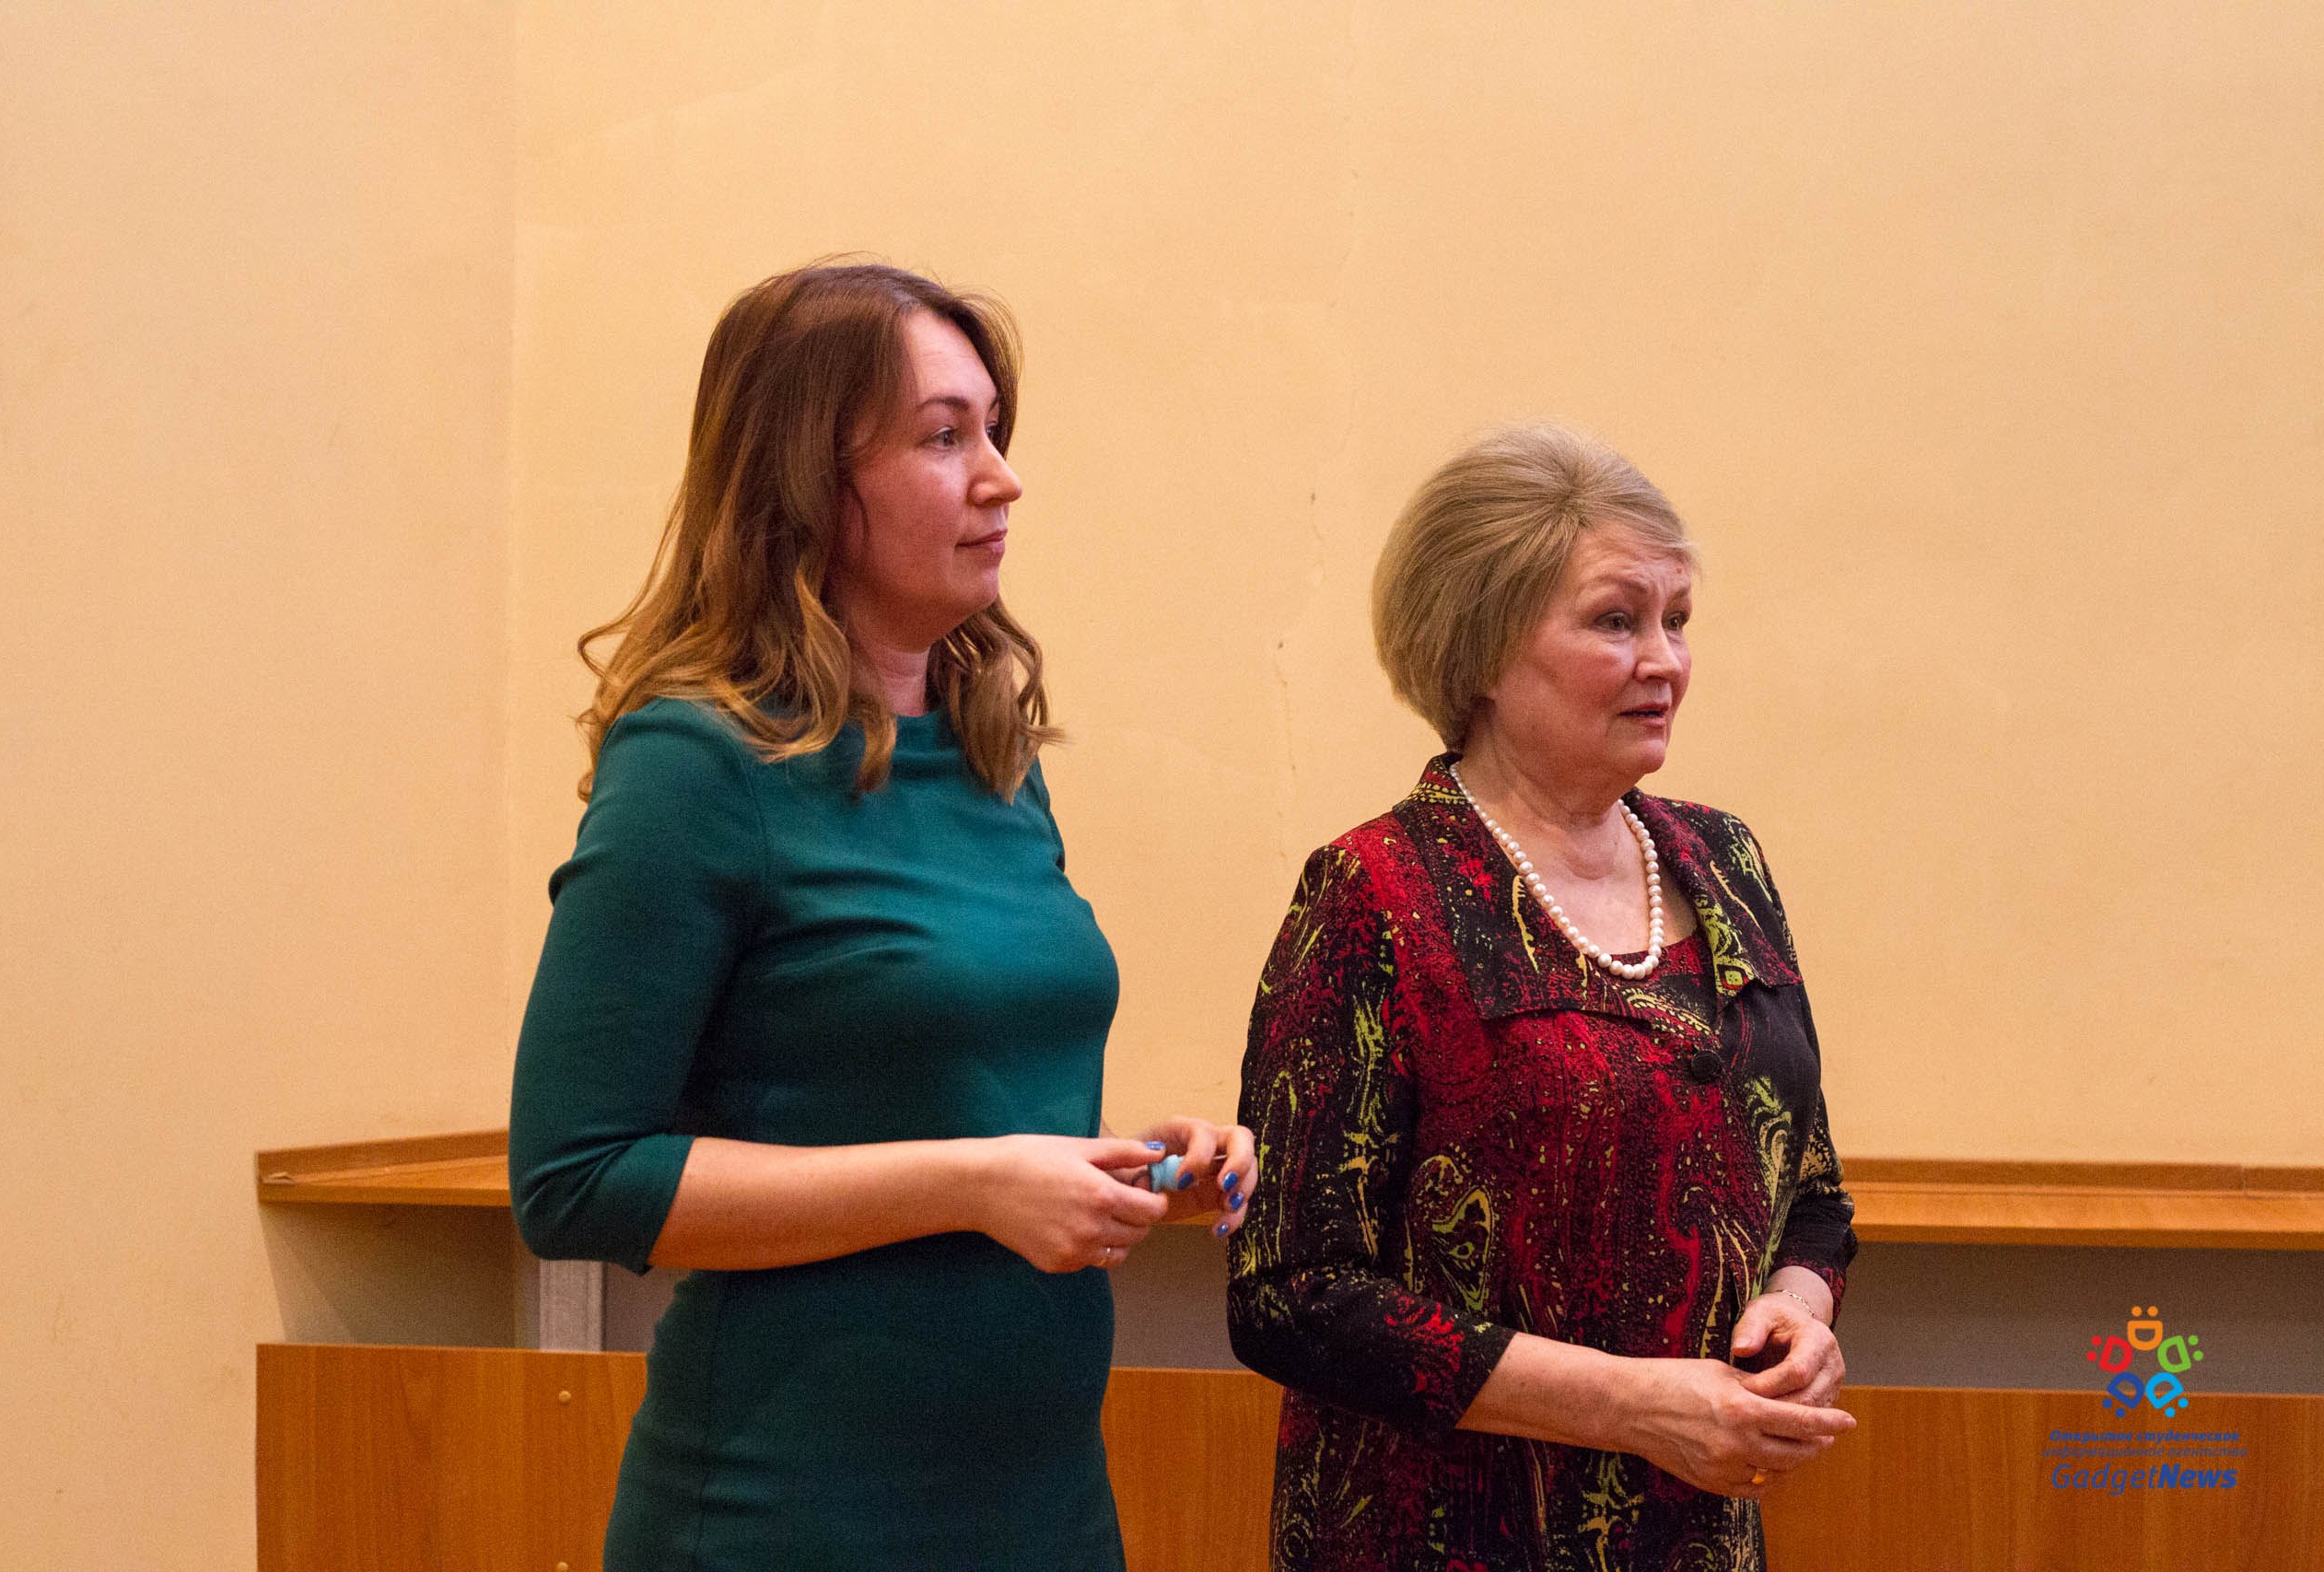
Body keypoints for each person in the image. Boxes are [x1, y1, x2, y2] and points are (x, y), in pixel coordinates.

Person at [508, 262, 1256, 1571]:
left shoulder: (991, 756)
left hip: (1040, 1510)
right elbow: (575, 1178)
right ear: (807, 482)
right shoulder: (695, 765)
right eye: (943, 436)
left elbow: (949, 1092)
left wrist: (1133, 1166)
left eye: (994, 431)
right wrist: (974, 1183)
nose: (1001, 479)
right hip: (791, 1512)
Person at [1227, 423, 1857, 1570]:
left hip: (1692, 1529)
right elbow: (1292, 1293)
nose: (1663, 661)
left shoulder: (1724, 861)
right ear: (1478, 647)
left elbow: (1808, 1191)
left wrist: (1800, 1311)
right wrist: (1632, 1406)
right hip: (1442, 1535)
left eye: (1676, 620)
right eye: (1616, 621)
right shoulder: (1376, 893)